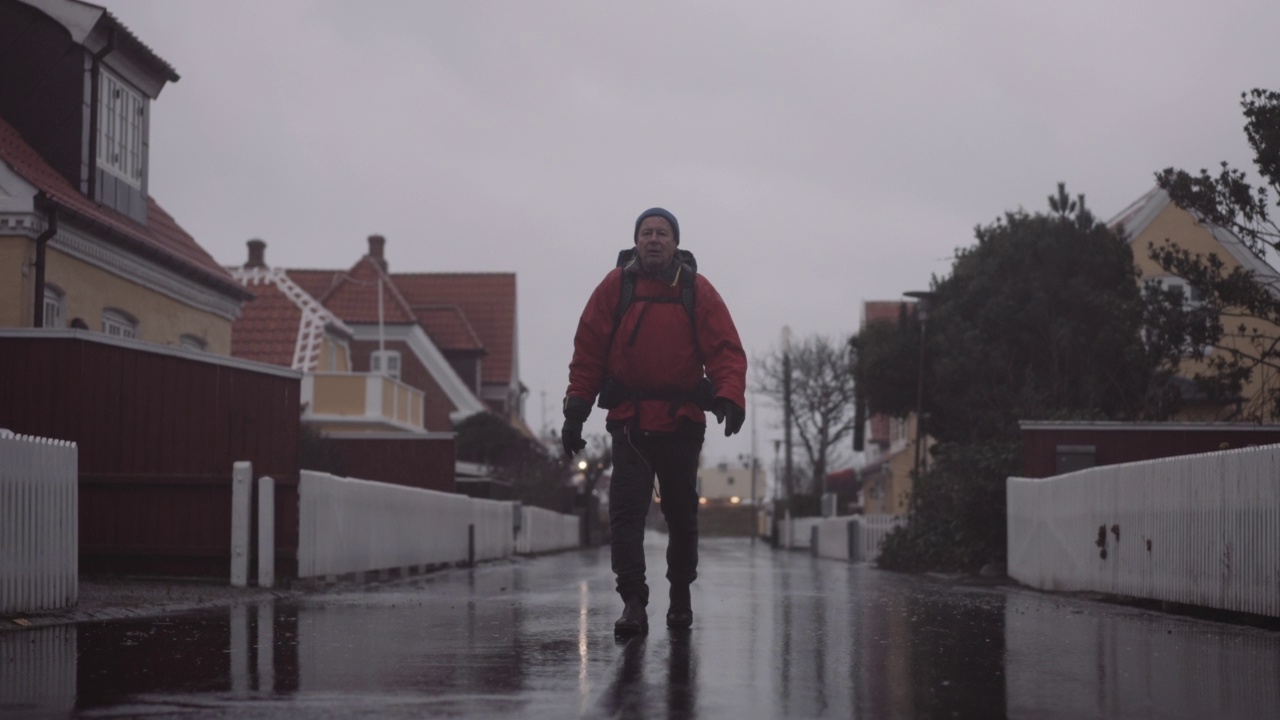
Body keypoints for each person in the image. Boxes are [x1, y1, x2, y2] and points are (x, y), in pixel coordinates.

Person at [562, 207, 747, 635]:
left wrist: (729, 397)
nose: (654, 239)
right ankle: (633, 601)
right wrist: (576, 411)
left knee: (682, 515)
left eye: (662, 233)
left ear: (676, 243)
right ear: (636, 241)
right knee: (626, 515)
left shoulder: (697, 291)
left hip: (682, 421)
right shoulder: (616, 287)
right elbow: (588, 349)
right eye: (646, 232)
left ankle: (679, 595)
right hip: (629, 422)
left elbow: (725, 350)